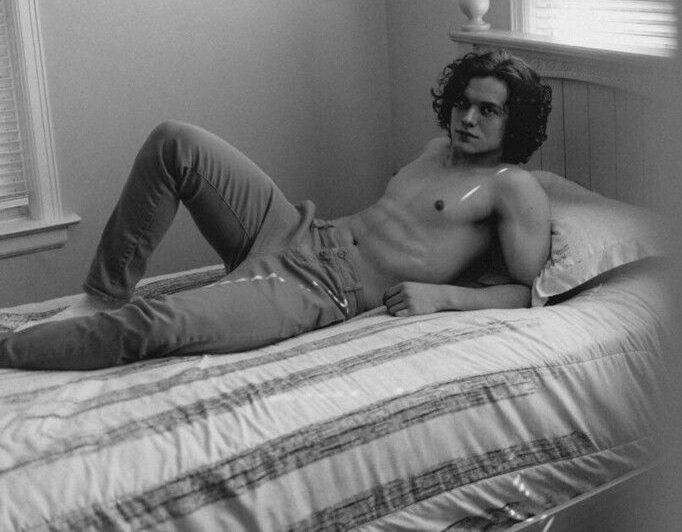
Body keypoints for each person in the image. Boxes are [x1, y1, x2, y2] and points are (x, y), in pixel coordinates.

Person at [0, 49, 553, 370]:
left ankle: (9, 351)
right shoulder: (436, 150)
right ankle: (101, 295)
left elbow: (531, 292)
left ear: (516, 121)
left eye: (488, 110)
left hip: (323, 288)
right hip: (299, 229)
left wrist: (443, 297)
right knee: (175, 142)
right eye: (463, 103)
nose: (467, 118)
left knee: (158, 322)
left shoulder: (513, 188)